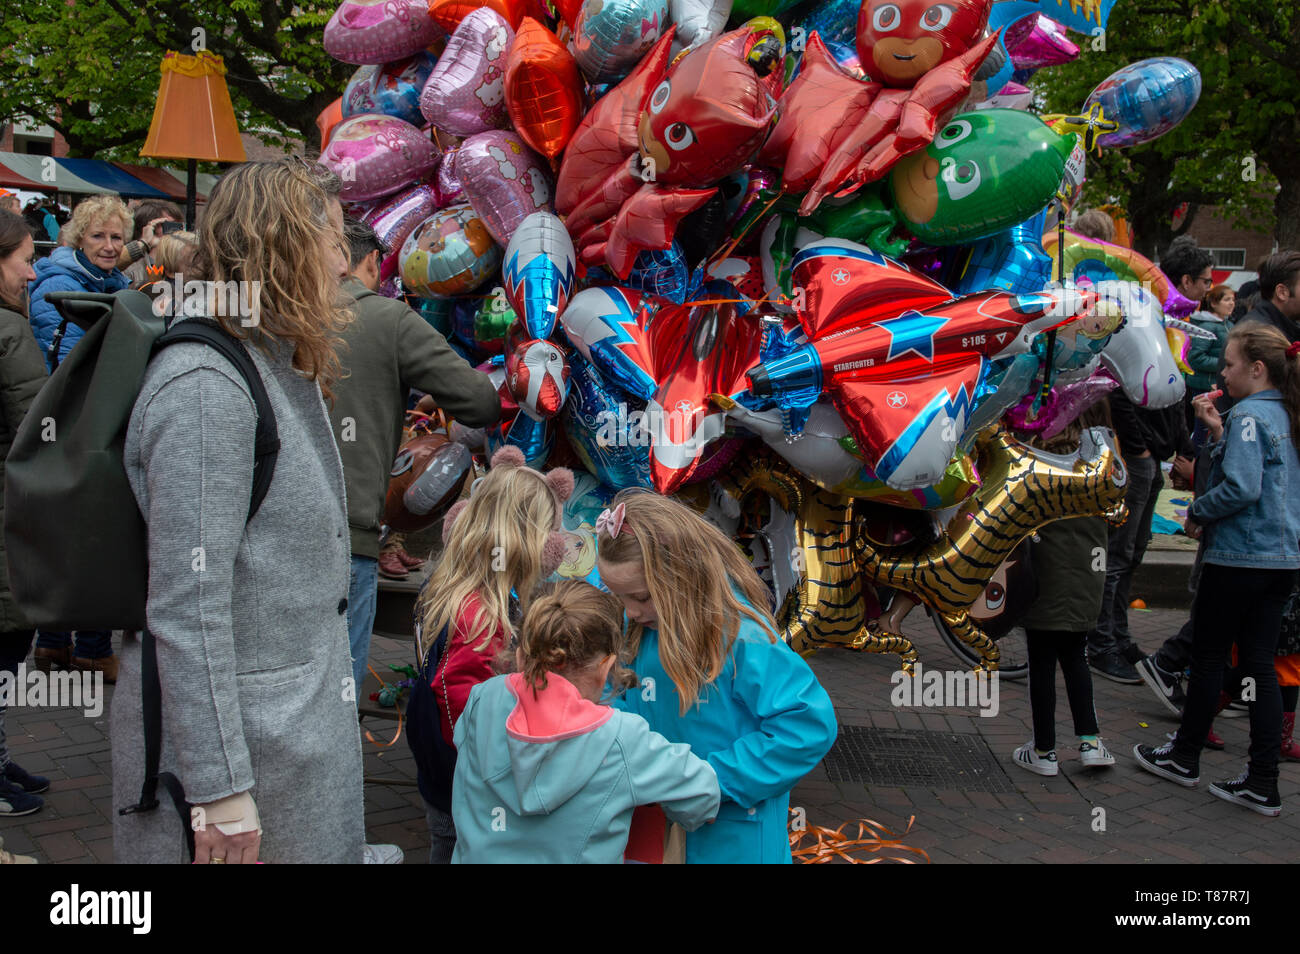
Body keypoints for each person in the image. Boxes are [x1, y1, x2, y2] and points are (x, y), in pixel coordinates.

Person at [112, 159, 367, 863]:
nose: (345, 260)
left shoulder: (266, 357)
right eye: (332, 239)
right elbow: (186, 606)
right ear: (282, 245)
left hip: (283, 738)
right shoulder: (207, 386)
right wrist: (219, 792)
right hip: (249, 756)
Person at [597, 491, 838, 863]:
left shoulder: (744, 640)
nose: (630, 610)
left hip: (735, 838)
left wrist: (713, 779)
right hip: (664, 831)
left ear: (680, 574)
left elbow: (807, 727)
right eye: (621, 597)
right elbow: (629, 700)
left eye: (641, 596)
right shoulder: (644, 630)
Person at [1134, 324, 1300, 816]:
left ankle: (1184, 757)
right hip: (1282, 560)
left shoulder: (1249, 414)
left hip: (1239, 558)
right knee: (1260, 665)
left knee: (1207, 657)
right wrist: (1217, 432)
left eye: (1228, 364)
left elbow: (1243, 486)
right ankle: (1262, 780)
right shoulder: (1286, 415)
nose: (1221, 372)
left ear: (1257, 368)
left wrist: (1199, 511)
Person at [330, 216, 500, 694]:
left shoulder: (269, 312)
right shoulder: (387, 319)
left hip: (270, 534)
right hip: (350, 534)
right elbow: (480, 399)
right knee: (335, 695)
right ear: (367, 262)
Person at [450, 580, 720, 863]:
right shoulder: (621, 738)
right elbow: (703, 794)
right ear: (606, 667)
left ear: (520, 655)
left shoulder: (482, 700)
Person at [408, 449, 572, 863]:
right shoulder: (481, 613)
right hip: (462, 774)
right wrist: (498, 761)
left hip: (437, 766)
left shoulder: (450, 586)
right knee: (455, 847)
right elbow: (458, 694)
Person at [1088, 239, 1203, 684]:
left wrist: (1180, 446)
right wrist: (1137, 450)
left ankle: (1117, 634)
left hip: (1152, 459)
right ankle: (1100, 643)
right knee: (1117, 556)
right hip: (1139, 460)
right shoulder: (1130, 318)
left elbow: (1171, 397)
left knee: (1133, 554)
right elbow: (1123, 392)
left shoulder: (1162, 323)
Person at [27, 194, 132, 682]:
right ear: (76, 237)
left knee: (73, 537)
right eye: (99, 236)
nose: (109, 246)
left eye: (116, 237)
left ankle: (55, 646)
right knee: (90, 538)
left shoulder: (115, 284)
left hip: (87, 422)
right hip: (73, 424)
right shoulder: (60, 285)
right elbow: (81, 363)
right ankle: (86, 648)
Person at [1011, 407, 1116, 776]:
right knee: (1076, 657)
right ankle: (1089, 741)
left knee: (1041, 664)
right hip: (1087, 577)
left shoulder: (1034, 459)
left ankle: (1044, 749)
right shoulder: (1102, 462)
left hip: (1042, 578)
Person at [0, 210, 52, 817]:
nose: (33, 272)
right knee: (5, 645)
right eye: (23, 258)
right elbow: (36, 433)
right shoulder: (9, 334)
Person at [1185, 283, 1234, 441]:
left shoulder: (1229, 325)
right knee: (1202, 429)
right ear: (1213, 303)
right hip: (1203, 386)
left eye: (1233, 299)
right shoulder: (1206, 327)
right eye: (1226, 299)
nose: (1231, 303)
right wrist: (1225, 364)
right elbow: (1196, 357)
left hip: (1219, 385)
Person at [118, 200, 183, 285]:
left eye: (179, 226)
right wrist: (148, 243)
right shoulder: (129, 267)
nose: (176, 231)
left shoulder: (184, 264)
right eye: (168, 225)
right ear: (148, 228)